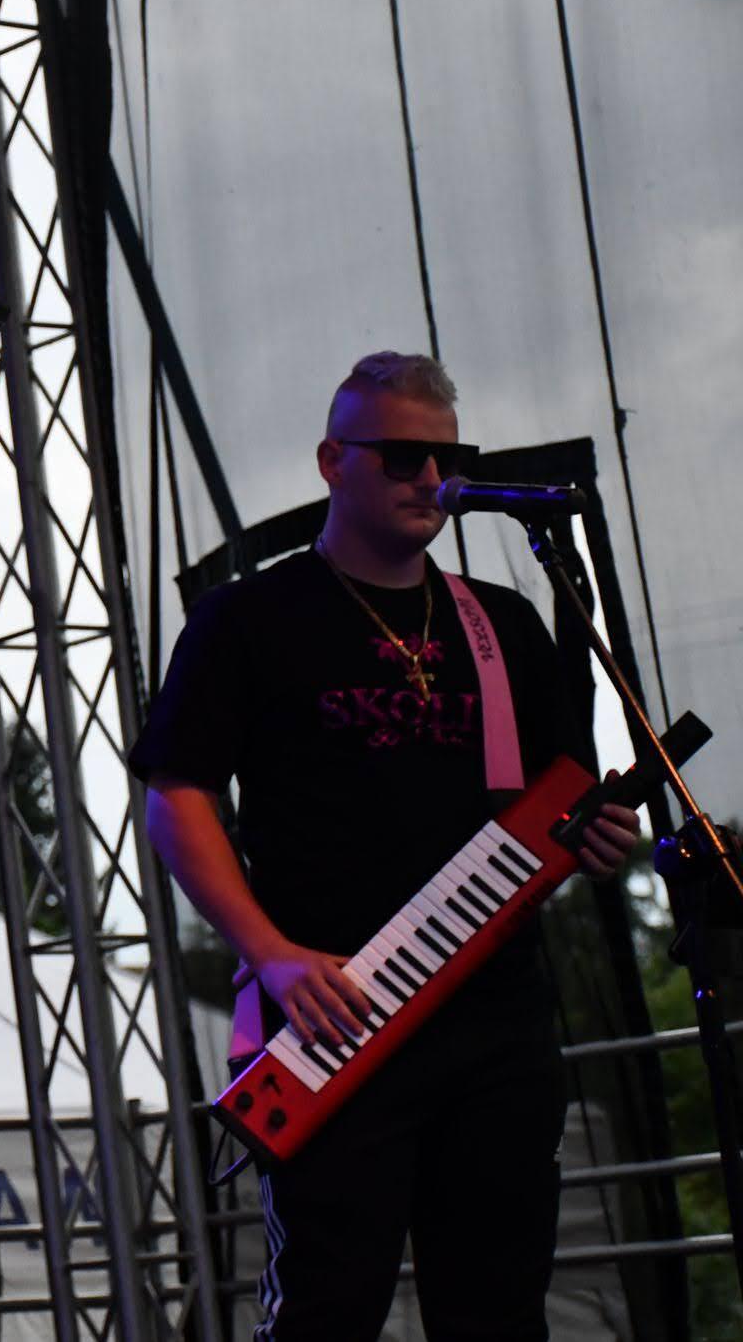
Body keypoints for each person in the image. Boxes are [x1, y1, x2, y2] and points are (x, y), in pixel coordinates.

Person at [129, 352, 640, 1340]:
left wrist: (597, 837)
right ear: (333, 461)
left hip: (496, 1025)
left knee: (498, 1313)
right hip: (332, 1020)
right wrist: (270, 954)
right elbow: (175, 798)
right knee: (326, 1311)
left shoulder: (500, 623)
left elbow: (558, 805)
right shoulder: (249, 617)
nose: (430, 480)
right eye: (402, 457)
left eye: (448, 459)